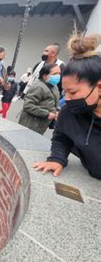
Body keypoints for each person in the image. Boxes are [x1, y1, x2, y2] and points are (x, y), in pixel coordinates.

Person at [33, 34, 101, 179]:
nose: (67, 99)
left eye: (73, 92)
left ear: (99, 87)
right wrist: (57, 159)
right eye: (66, 92)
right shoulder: (69, 112)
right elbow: (61, 138)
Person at [18, 63, 61, 134]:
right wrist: (47, 114)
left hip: (41, 124)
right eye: (55, 74)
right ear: (44, 76)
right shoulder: (38, 86)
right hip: (30, 124)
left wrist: (57, 111)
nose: (58, 76)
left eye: (59, 73)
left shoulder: (54, 86)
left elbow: (54, 102)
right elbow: (28, 105)